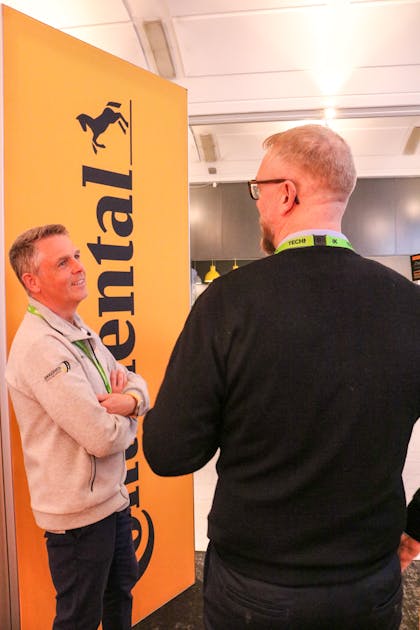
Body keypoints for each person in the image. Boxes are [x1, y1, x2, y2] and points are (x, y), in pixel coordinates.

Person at [142, 124, 420, 629]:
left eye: (258, 189)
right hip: (369, 580)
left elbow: (169, 452)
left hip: (256, 587)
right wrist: (418, 526)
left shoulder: (228, 302)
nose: (257, 205)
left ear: (286, 194)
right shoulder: (410, 305)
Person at [6, 224, 149, 630]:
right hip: (78, 520)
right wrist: (130, 417)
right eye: (63, 262)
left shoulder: (77, 329)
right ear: (33, 282)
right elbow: (101, 437)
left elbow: (135, 382)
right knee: (79, 620)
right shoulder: (41, 346)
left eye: (77, 256)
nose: (79, 267)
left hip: (111, 502)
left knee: (119, 598)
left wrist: (130, 401)